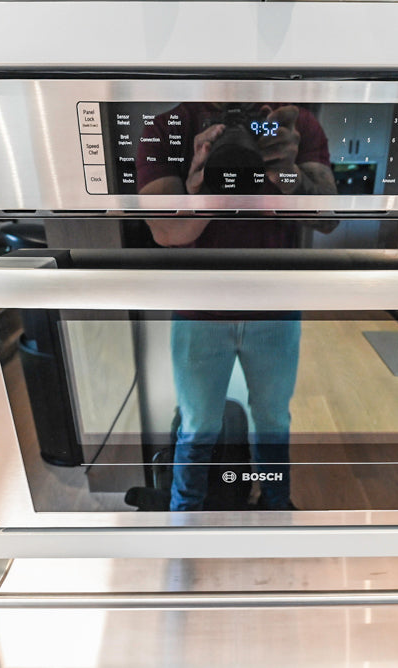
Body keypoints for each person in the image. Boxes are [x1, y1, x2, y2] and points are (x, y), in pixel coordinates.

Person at [136, 102, 337, 511]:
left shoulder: (292, 125)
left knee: (269, 423)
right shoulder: (168, 127)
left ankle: (274, 507)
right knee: (200, 426)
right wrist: (208, 184)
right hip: (206, 308)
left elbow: (327, 216)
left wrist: (287, 172)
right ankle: (186, 513)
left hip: (268, 308)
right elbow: (167, 231)